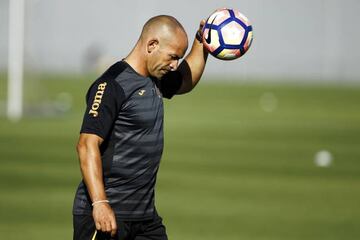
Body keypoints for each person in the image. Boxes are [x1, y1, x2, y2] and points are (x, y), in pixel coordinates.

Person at [72, 15, 208, 240]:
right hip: (107, 215)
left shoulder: (156, 78)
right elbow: (87, 145)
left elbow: (185, 79)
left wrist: (201, 43)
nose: (175, 65)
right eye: (173, 57)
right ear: (152, 45)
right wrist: (100, 203)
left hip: (145, 219)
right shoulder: (111, 84)